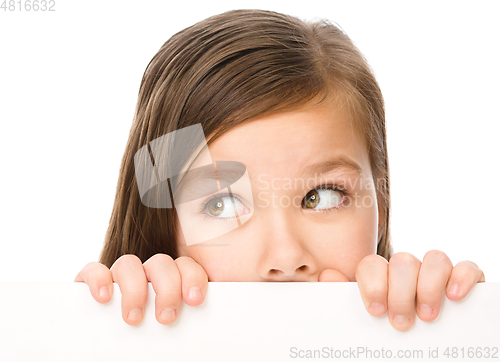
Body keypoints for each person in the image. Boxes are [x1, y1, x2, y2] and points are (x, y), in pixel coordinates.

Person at [74, 9, 485, 331]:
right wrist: (100, 331)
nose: (286, 261)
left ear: (381, 202)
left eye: (322, 196)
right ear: (164, 228)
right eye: (222, 204)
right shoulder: (119, 331)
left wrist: (457, 329)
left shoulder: (431, 330)